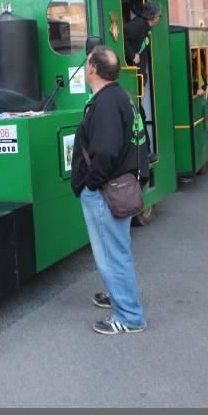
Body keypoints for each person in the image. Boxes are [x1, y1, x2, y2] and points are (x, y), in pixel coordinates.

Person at [71, 45, 149, 335]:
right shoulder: (122, 96)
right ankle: (119, 295)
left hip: (106, 190)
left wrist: (91, 183)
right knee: (118, 248)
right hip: (122, 185)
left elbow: (104, 151)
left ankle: (129, 316)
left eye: (87, 62)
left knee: (112, 253)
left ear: (92, 68)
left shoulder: (104, 103)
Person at [123, 1, 162, 159]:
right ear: (152, 17)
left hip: (138, 80)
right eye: (158, 16)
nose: (159, 19)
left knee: (140, 115)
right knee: (139, 115)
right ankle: (146, 153)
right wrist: (132, 55)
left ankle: (147, 152)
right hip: (133, 79)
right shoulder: (138, 26)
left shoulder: (145, 27)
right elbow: (121, 34)